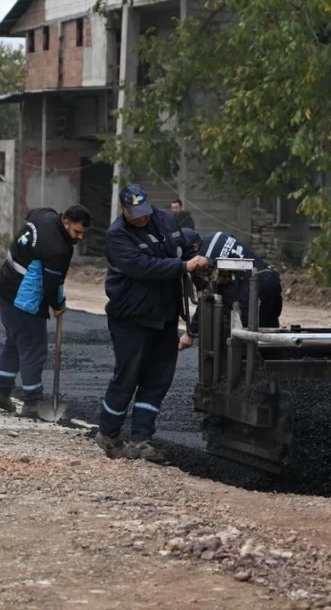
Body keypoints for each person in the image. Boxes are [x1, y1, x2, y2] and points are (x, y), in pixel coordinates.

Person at [96, 183, 208, 463]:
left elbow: (182, 251)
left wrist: (199, 273)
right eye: (136, 214)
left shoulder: (166, 219)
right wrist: (183, 267)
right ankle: (108, 435)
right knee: (128, 375)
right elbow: (143, 267)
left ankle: (142, 439)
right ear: (124, 210)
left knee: (158, 379)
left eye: (145, 212)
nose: (142, 218)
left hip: (165, 314)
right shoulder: (117, 236)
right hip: (131, 317)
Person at [0, 205, 91, 418]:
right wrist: (59, 305)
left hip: (3, 286)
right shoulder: (58, 248)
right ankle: (32, 404)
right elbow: (51, 287)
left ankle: (0, 391)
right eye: (76, 232)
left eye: (83, 233)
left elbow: (30, 214)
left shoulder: (44, 214)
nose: (79, 237)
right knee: (34, 349)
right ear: (65, 222)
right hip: (22, 299)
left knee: (15, 341)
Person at [181, 228, 283, 348]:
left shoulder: (202, 262)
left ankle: (247, 362)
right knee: (271, 332)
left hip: (254, 289)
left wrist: (191, 333)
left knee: (248, 337)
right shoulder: (219, 235)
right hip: (271, 278)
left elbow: (205, 299)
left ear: (194, 247)